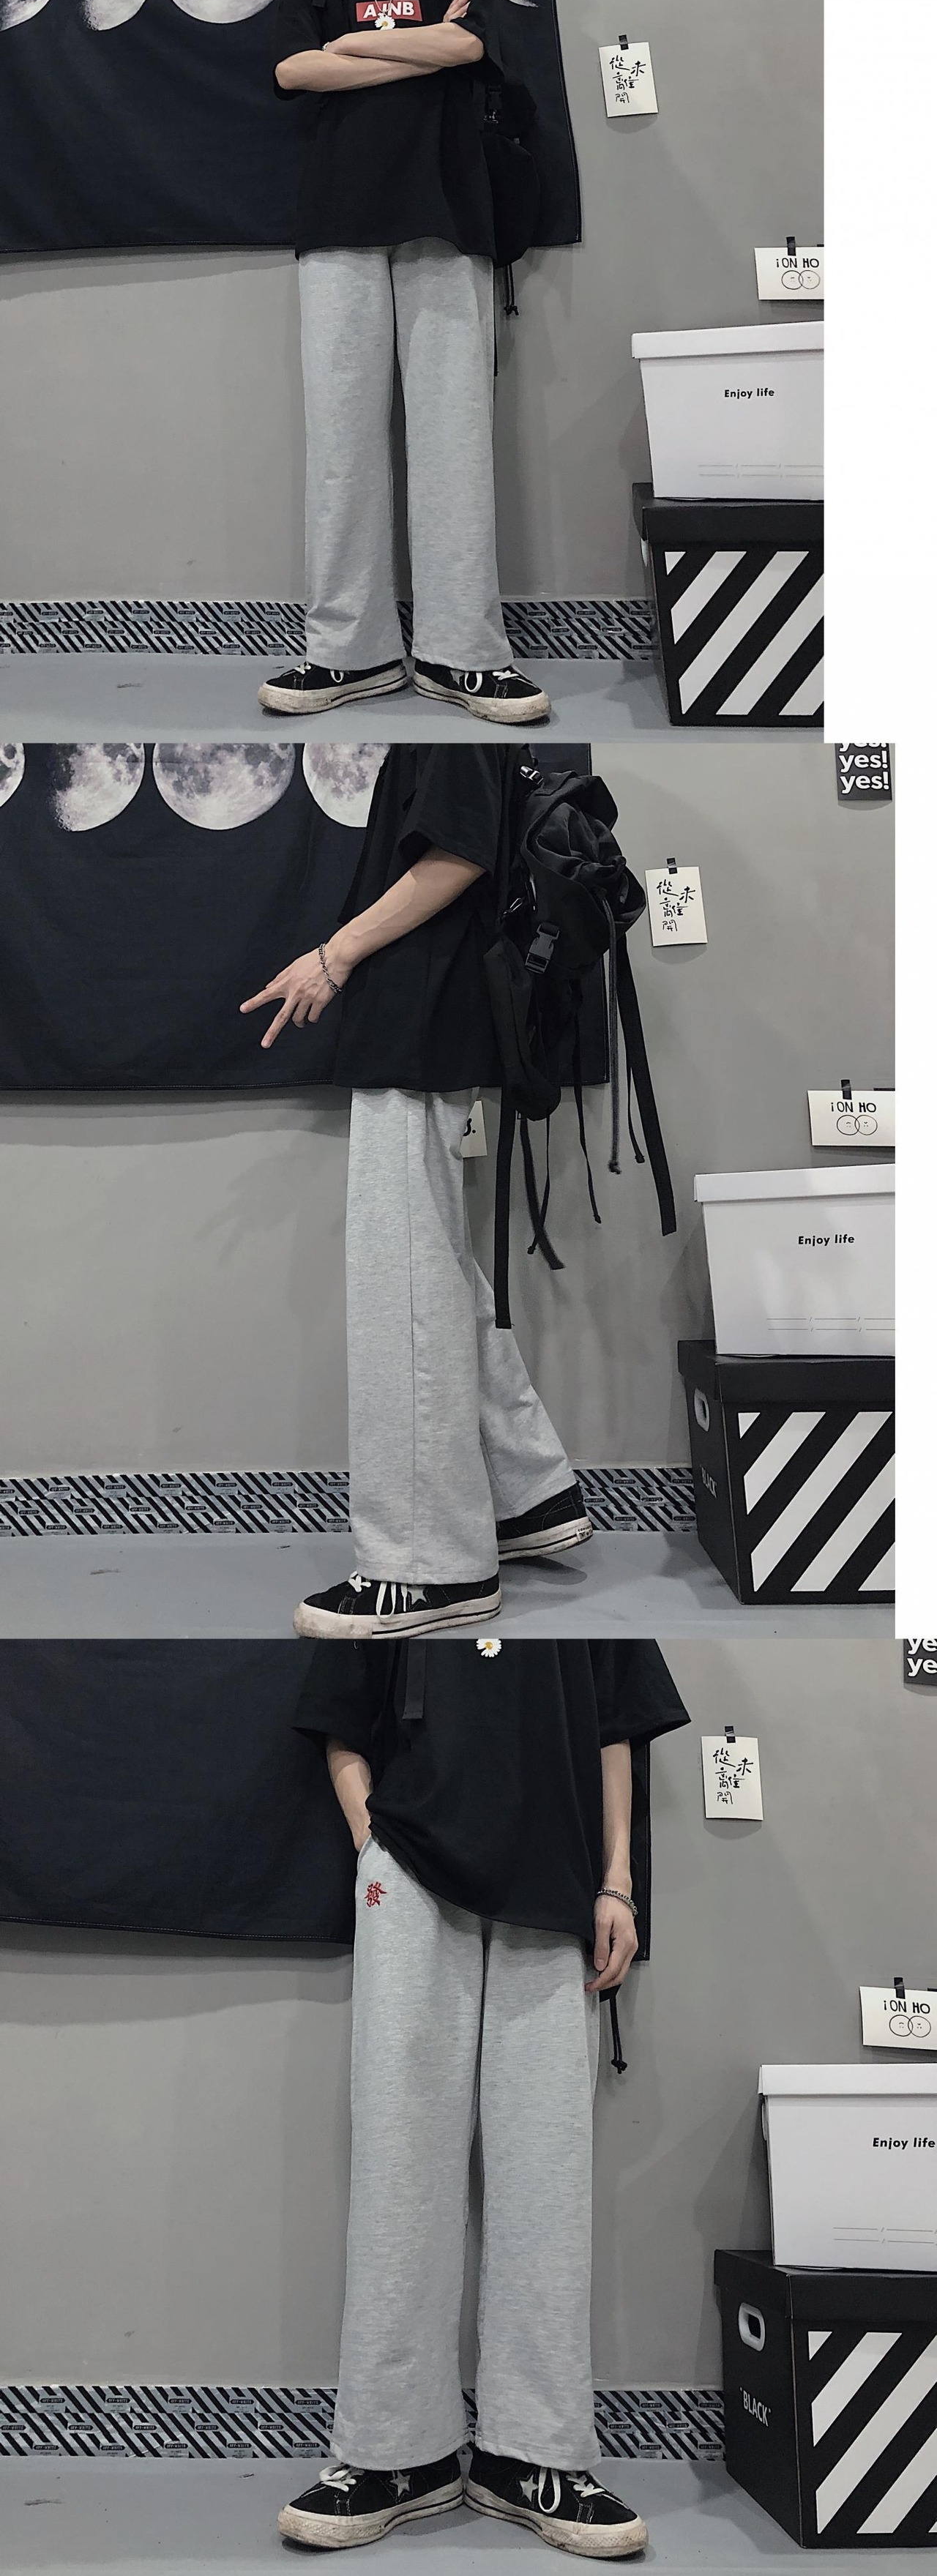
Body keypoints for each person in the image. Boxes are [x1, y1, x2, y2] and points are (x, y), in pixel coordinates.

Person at [278, 1635, 690, 2557]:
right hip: (408, 1873)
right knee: (399, 2168)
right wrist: (371, 1845)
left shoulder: (589, 1599)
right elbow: (340, 1716)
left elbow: (615, 1725)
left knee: (545, 2179)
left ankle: (532, 2454)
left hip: (558, 1875)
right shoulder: (402, 1581)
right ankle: (393, 2453)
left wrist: (617, 1882)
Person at [242, 745, 590, 1641]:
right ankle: (523, 1493)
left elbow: (459, 853)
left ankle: (428, 1566)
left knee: (401, 1283)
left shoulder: (451, 726)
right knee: (425, 1260)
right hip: (426, 1011)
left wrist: (332, 957)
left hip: (422, 1014)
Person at [259, 0, 550, 728]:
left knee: (455, 440)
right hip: (337, 216)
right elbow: (292, 68)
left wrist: (349, 45)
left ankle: (464, 654)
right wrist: (420, 43)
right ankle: (350, 652)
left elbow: (471, 47)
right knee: (340, 444)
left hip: (449, 207)